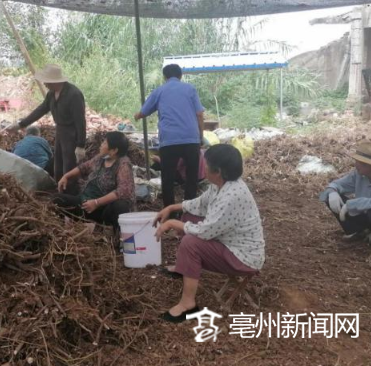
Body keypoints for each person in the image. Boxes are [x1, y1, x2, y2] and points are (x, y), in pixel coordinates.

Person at [153, 144, 265, 323]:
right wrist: (173, 207)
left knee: (191, 243)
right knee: (189, 214)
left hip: (243, 257)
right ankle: (184, 267)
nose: (203, 167)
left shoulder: (232, 196)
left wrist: (174, 223)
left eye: (206, 164)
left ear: (218, 171)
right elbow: (200, 203)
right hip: (229, 242)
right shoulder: (221, 184)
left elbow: (205, 232)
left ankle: (188, 305)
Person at [134, 63, 204, 207]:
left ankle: (170, 210)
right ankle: (189, 207)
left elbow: (143, 113)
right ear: (181, 75)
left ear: (165, 77)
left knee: (168, 177)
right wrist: (200, 135)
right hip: (191, 139)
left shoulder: (159, 91)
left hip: (169, 141)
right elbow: (199, 114)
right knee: (192, 176)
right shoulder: (190, 89)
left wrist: (136, 115)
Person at [8, 64, 86, 193]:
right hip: (60, 131)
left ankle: (71, 196)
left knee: (69, 166)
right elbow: (41, 110)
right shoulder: (51, 94)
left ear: (54, 81)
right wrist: (21, 124)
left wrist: (80, 145)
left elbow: (80, 121)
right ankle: (59, 190)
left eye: (46, 81)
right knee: (58, 166)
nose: (44, 84)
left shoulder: (74, 94)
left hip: (71, 133)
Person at [53, 131, 134, 233]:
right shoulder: (101, 158)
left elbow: (123, 191)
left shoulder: (123, 164)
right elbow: (83, 167)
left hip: (103, 210)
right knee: (57, 199)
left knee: (120, 205)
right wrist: (66, 176)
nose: (101, 145)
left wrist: (96, 203)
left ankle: (108, 231)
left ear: (114, 150)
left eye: (104, 143)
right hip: (85, 203)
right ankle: (64, 229)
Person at [319, 141, 371, 251]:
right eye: (357, 161)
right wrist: (332, 192)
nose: (356, 165)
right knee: (329, 196)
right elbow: (335, 185)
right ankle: (360, 232)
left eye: (361, 163)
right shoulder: (358, 174)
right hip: (366, 217)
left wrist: (353, 204)